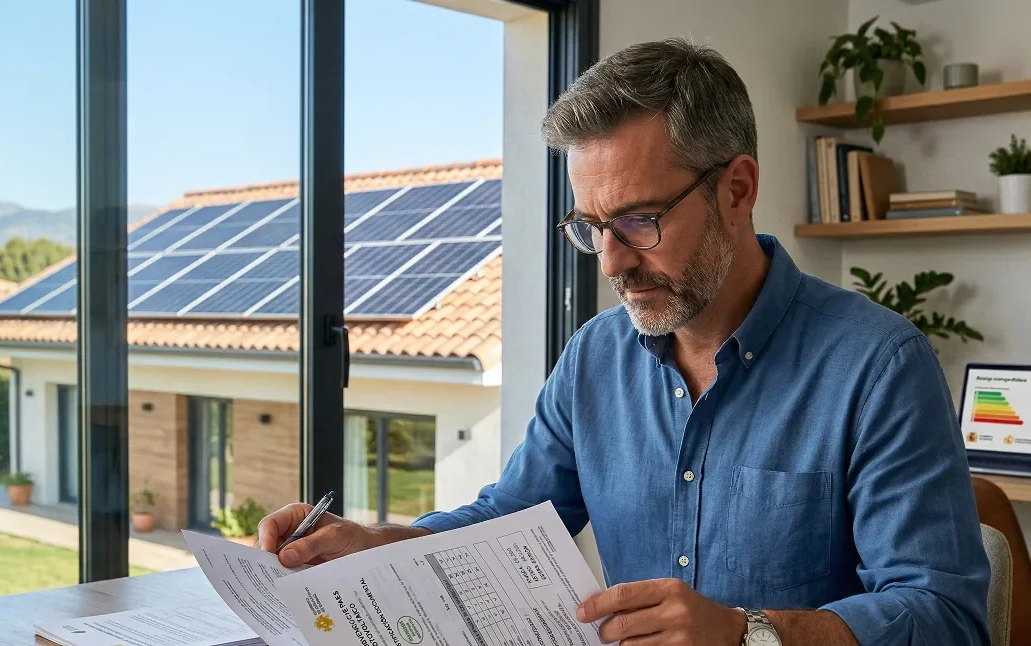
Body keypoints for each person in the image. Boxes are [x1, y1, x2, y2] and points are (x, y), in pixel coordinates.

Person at [258, 38, 990, 646]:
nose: (610, 262)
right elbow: (508, 521)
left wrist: (746, 634)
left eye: (640, 221)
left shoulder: (878, 364)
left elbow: (947, 616)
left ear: (736, 190)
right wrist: (377, 546)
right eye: (591, 227)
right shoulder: (594, 358)